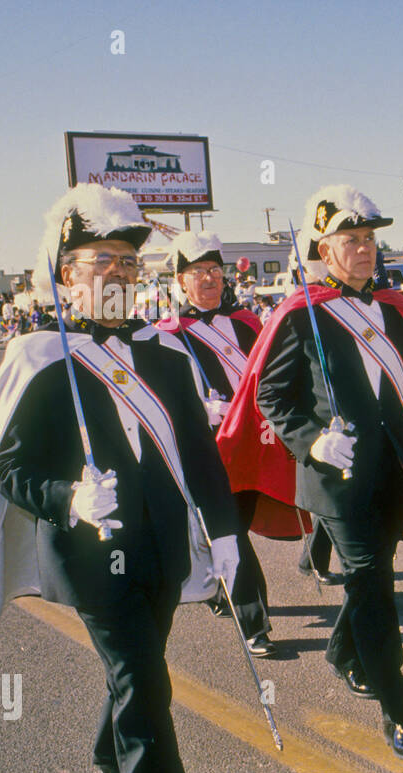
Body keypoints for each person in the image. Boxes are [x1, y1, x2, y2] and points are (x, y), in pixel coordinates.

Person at [0, 184, 241, 773]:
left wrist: (224, 536)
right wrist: (68, 496)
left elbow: (198, 455)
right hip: (90, 552)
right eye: (102, 259)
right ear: (66, 271)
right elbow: (9, 469)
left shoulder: (165, 354)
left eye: (128, 262)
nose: (119, 273)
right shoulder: (41, 357)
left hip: (160, 547)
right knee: (145, 682)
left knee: (139, 670)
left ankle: (109, 746)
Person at [230, 185, 403, 761]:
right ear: (323, 251)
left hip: (395, 474)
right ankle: (397, 712)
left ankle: (342, 653)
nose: (364, 249)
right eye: (349, 240)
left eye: (369, 239)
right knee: (375, 588)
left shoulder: (398, 314)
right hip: (337, 479)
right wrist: (313, 441)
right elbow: (271, 395)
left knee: (368, 575)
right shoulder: (302, 314)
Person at [156, 231, 275, 657]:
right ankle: (254, 621)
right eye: (197, 272)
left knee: (233, 528)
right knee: (230, 531)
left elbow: (269, 376)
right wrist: (194, 409)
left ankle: (219, 589)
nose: (208, 279)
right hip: (204, 450)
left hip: (249, 444)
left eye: (214, 271)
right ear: (181, 282)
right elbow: (160, 395)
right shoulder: (166, 334)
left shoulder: (248, 324)